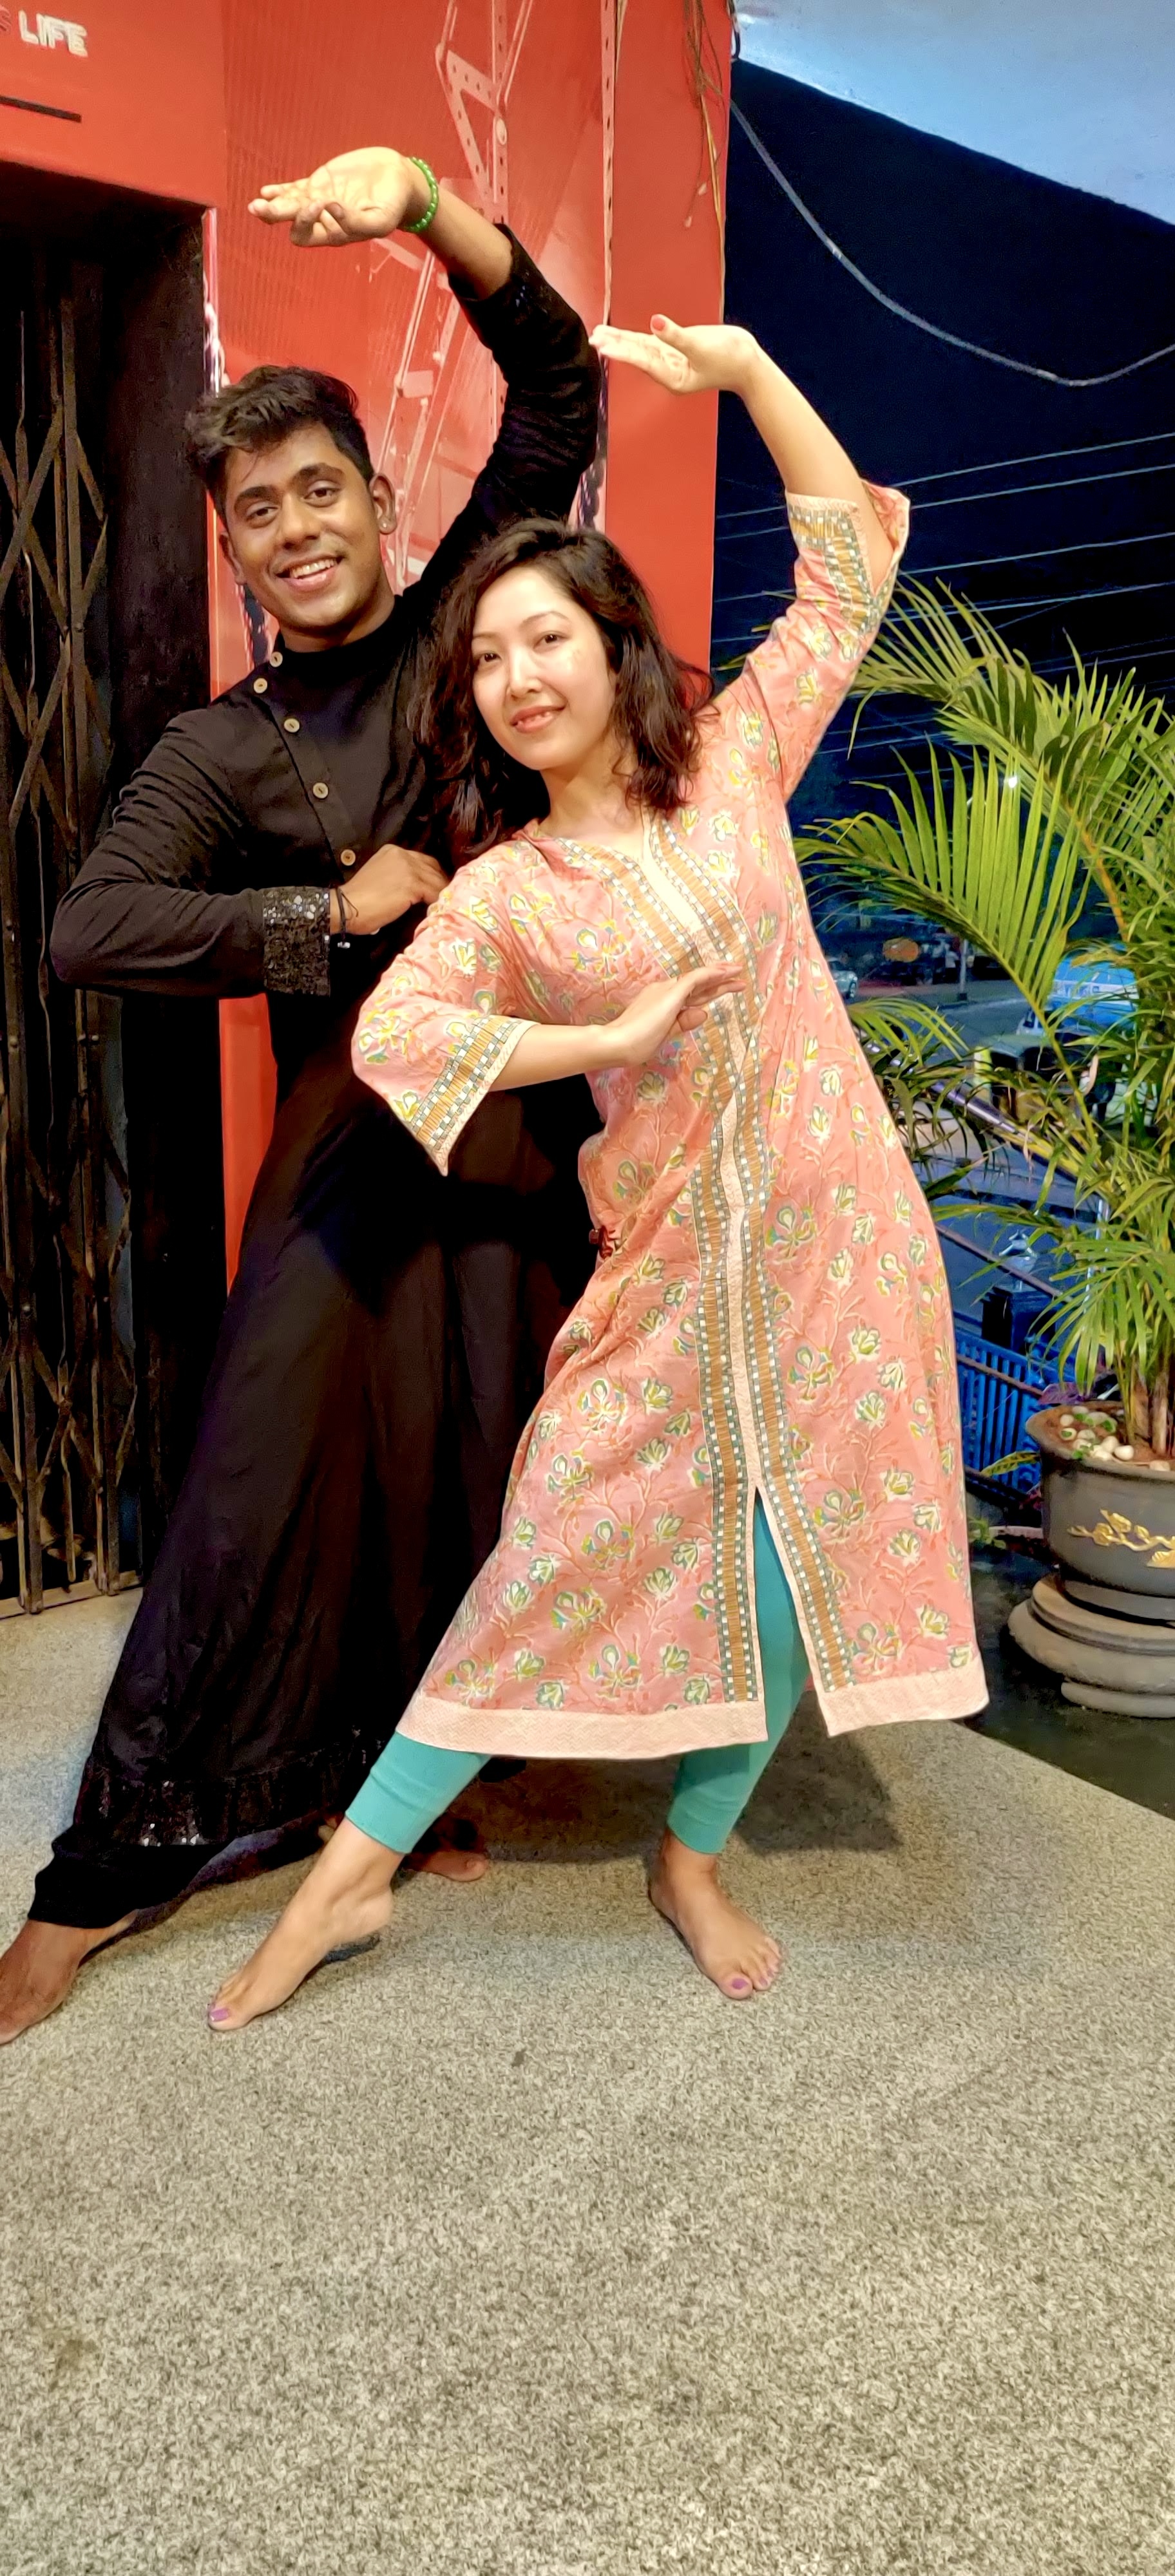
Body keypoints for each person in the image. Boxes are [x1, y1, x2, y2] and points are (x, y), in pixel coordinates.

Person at [206, 311, 989, 2032]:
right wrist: (607, 1034)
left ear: (613, 645)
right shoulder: (508, 892)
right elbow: (405, 1039)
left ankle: (691, 1856)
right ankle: (350, 1880)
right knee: (552, 1549)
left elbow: (848, 568)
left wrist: (753, 371)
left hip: (838, 1234)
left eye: (547, 637)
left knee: (788, 1563)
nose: (519, 676)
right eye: (488, 658)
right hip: (663, 1267)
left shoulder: (735, 768)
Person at [0, 147, 601, 2046]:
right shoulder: (220, 747)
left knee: (476, 1468)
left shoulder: (457, 630)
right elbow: (91, 928)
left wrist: (422, 202)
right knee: (253, 1484)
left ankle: (414, 1794)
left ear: (375, 497)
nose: (294, 529)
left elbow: (563, 387)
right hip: (344, 1152)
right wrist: (327, 910)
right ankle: (100, 1873)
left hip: (514, 1138)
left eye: (319, 488)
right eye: (255, 512)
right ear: (236, 549)